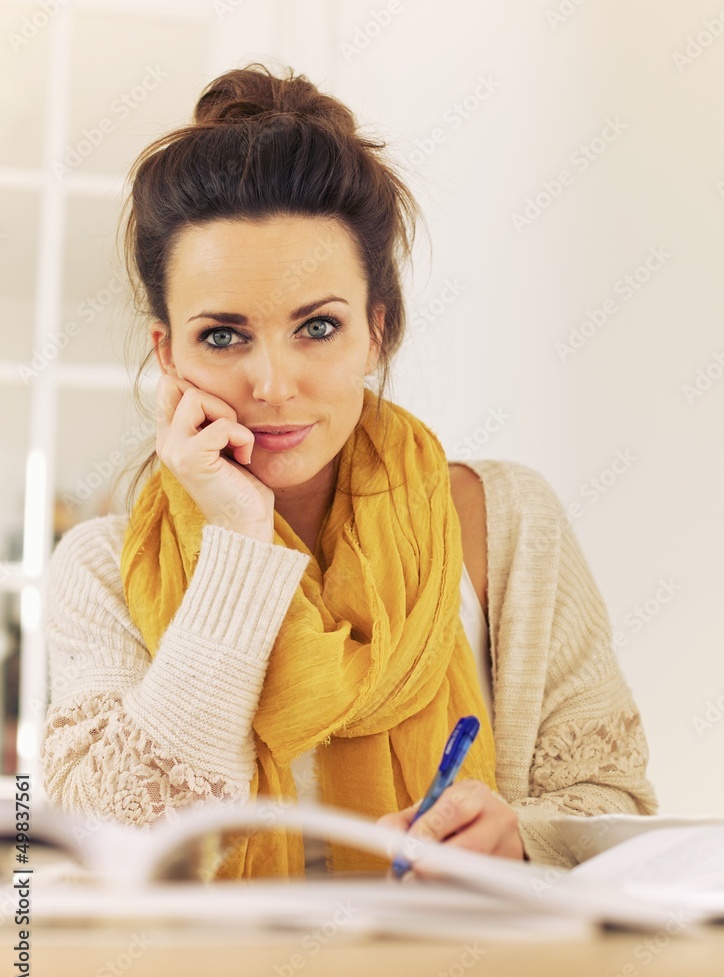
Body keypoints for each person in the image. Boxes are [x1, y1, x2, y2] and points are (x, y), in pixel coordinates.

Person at [40, 62, 657, 879]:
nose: (272, 383)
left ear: (377, 330)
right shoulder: (102, 571)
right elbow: (109, 848)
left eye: (317, 327)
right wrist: (238, 543)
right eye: (223, 335)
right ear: (168, 354)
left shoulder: (507, 525)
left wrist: (519, 840)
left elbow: (614, 802)